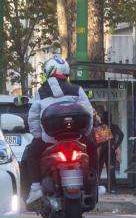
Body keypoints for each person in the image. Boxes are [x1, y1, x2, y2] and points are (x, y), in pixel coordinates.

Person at [24, 55, 94, 205]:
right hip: (77, 137)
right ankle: (94, 181)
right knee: (93, 147)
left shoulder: (42, 92)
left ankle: (35, 186)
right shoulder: (76, 89)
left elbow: (33, 116)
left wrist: (38, 135)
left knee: (31, 153)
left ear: (49, 71)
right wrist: (87, 133)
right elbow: (88, 111)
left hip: (50, 138)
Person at [99, 110, 124, 194]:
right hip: (110, 150)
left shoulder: (103, 127)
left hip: (103, 150)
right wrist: (116, 145)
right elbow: (121, 135)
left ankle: (99, 187)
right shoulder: (113, 126)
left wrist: (116, 145)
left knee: (100, 169)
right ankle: (113, 188)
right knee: (111, 170)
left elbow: (121, 135)